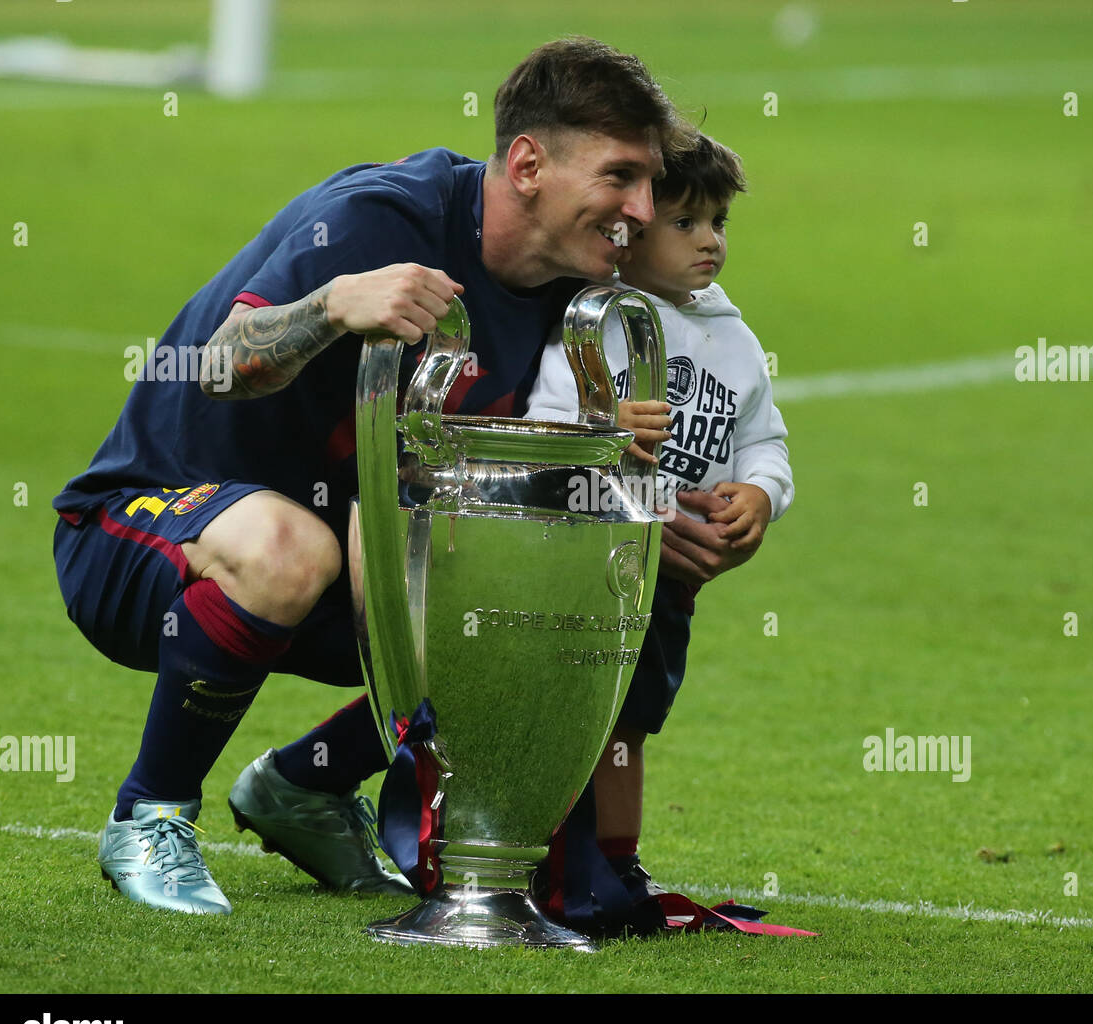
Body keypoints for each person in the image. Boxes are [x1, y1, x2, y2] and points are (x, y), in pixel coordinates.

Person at [51, 37, 691, 915]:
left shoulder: (569, 285)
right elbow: (216, 364)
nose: (643, 208)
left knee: (532, 583)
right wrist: (329, 307)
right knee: (289, 543)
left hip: (339, 566)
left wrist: (711, 505)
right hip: (139, 531)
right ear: (529, 163)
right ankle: (149, 813)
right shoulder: (382, 219)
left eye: (651, 183)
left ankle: (303, 785)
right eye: (621, 177)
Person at [524, 131, 794, 917]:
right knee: (582, 711)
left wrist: (760, 497)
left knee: (634, 720)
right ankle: (549, 860)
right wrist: (606, 425)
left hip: (669, 583)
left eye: (718, 223)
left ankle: (618, 863)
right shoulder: (598, 319)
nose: (710, 241)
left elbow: (765, 441)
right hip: (585, 568)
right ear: (628, 233)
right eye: (686, 223)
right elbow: (548, 431)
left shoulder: (736, 340)